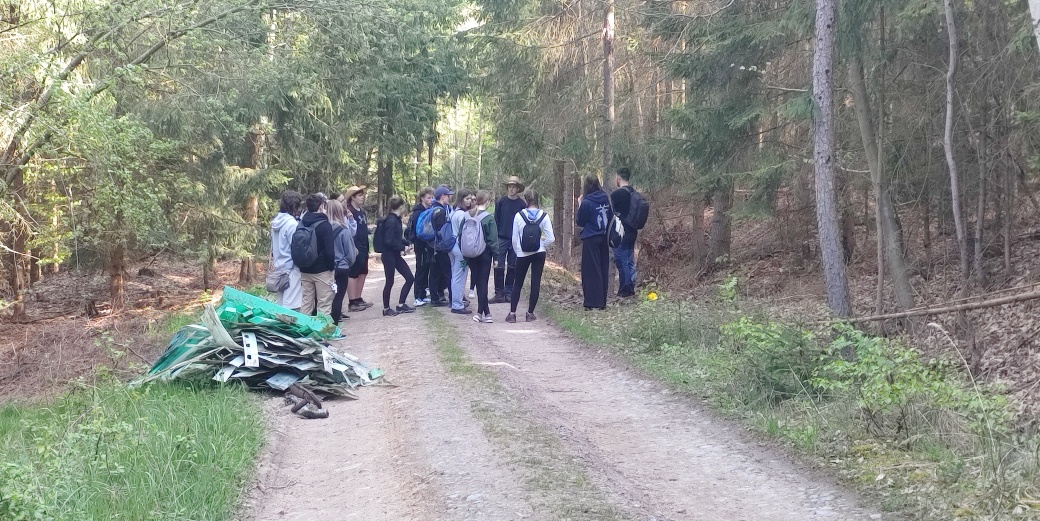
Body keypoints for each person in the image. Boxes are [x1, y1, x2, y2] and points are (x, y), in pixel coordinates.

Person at [506, 189, 554, 323]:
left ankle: (512, 314)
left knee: (517, 283)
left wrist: (518, 251)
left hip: (522, 253)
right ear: (537, 199)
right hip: (539, 253)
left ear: (526, 200)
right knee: (535, 282)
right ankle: (530, 313)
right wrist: (541, 245)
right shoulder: (544, 216)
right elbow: (551, 238)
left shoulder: (519, 216)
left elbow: (514, 239)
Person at [575, 175, 612, 310]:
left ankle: (591, 302)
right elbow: (610, 215)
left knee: (590, 271)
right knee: (603, 268)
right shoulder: (605, 198)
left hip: (591, 238)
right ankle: (602, 301)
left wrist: (580, 204)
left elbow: (580, 221)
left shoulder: (586, 202)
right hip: (604, 237)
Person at [298, 193, 338, 316]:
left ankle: (304, 326)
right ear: (321, 206)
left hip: (305, 269)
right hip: (322, 271)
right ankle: (323, 328)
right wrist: (331, 268)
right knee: (324, 304)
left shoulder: (302, 223)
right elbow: (330, 251)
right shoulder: (325, 225)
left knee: (306, 303)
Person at [464, 190, 499, 323]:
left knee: (478, 282)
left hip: (470, 254)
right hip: (485, 254)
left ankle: (486, 312)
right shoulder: (489, 218)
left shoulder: (468, 215)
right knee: (483, 282)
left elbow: (462, 234)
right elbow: (493, 240)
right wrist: (496, 257)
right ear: (487, 201)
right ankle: (481, 313)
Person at [379, 196, 417, 316]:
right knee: (390, 282)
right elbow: (389, 241)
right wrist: (403, 248)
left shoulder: (396, 219)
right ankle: (386, 309)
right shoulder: (391, 221)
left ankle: (401, 305)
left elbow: (397, 238)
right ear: (401, 207)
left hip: (395, 255)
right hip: (388, 255)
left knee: (410, 278)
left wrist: (407, 243)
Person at [492, 176, 527, 304]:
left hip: (515, 239)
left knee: (512, 266)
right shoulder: (501, 202)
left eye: (514, 187)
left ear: (518, 189)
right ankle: (499, 293)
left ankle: (509, 292)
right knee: (499, 266)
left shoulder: (522, 204)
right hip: (501, 238)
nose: (511, 189)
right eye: (509, 187)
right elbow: (496, 219)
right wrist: (495, 237)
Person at [270, 190, 303, 310]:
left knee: (281, 306)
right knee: (291, 308)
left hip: (279, 269)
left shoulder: (276, 223)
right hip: (291, 270)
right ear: (295, 207)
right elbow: (296, 248)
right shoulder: (292, 224)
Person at [327, 199, 358, 325]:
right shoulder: (343, 230)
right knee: (338, 298)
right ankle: (334, 326)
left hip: (327, 268)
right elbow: (351, 253)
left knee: (326, 299)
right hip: (342, 267)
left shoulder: (323, 228)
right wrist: (348, 263)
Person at [344, 185, 374, 312]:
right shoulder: (349, 212)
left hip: (364, 246)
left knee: (363, 272)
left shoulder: (361, 211)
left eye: (363, 195)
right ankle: (352, 301)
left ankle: (358, 298)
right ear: (352, 197)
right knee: (353, 273)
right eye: (360, 195)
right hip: (354, 247)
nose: (363, 197)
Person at [611, 167, 638, 297]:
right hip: (633, 231)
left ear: (618, 178)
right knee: (630, 261)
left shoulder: (617, 195)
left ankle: (625, 291)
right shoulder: (633, 192)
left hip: (620, 233)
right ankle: (631, 288)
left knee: (622, 261)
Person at [448, 189, 475, 314]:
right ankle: (457, 304)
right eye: (467, 198)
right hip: (459, 248)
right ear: (461, 199)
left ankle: (456, 301)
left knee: (455, 276)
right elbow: (465, 235)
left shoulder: (453, 212)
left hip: (452, 246)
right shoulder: (462, 215)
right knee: (459, 276)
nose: (469, 201)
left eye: (470, 199)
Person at [429, 185, 455, 307]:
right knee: (448, 272)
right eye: (448, 196)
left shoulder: (433, 208)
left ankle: (434, 298)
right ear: (442, 196)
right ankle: (453, 298)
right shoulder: (441, 211)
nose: (449, 198)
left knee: (434, 273)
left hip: (432, 246)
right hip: (440, 247)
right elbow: (441, 231)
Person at [408, 187, 434, 307]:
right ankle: (417, 296)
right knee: (421, 270)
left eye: (432, 197)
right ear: (422, 198)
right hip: (421, 244)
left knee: (425, 269)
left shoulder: (425, 210)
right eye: (428, 198)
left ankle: (422, 294)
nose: (431, 200)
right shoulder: (419, 212)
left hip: (425, 244)